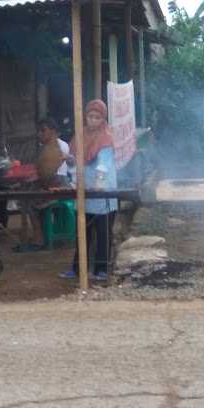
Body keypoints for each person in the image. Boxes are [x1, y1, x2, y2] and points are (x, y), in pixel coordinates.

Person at [61, 99, 118, 281]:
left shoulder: (106, 137)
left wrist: (99, 182)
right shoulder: (80, 135)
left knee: (103, 233)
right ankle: (78, 268)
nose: (93, 120)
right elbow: (74, 159)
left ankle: (101, 269)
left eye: (97, 117)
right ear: (85, 117)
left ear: (103, 119)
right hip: (84, 189)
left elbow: (104, 163)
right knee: (82, 232)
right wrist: (70, 163)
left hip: (102, 193)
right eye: (90, 116)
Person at [14, 117, 66, 252]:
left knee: (29, 202)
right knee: (26, 194)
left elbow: (48, 176)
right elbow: (43, 172)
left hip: (58, 187)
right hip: (50, 184)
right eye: (39, 131)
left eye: (43, 131)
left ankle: (39, 240)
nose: (40, 134)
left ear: (53, 132)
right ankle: (38, 236)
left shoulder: (56, 148)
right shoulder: (47, 147)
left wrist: (36, 180)